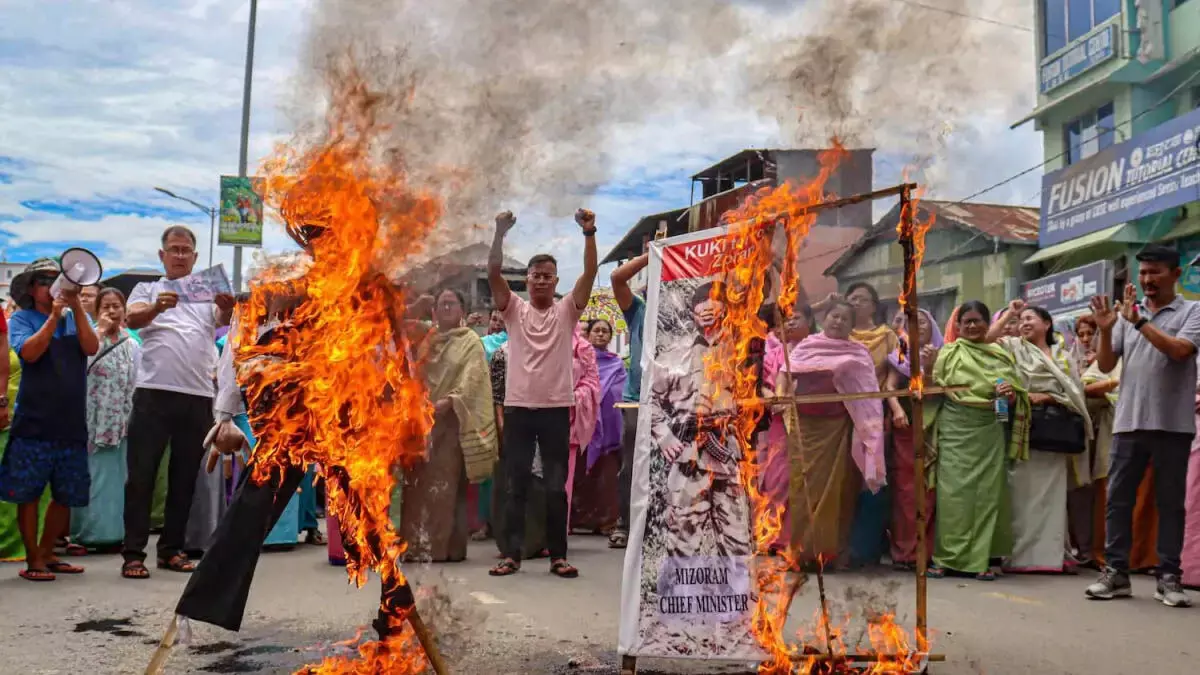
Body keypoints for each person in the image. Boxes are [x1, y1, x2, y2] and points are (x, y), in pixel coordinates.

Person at [1086, 245, 1200, 607]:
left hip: (1172, 425)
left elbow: (1179, 351)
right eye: (1144, 273)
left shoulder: (1192, 311)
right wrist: (1106, 330)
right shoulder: (1124, 318)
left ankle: (1169, 579)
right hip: (1128, 422)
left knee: (1170, 504)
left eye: (1156, 272)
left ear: (1176, 275)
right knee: (1118, 500)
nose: (1148, 280)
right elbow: (1105, 366)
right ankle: (1116, 574)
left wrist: (1137, 321)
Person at [487, 209, 598, 578]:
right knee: (514, 485)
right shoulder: (514, 311)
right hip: (518, 409)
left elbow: (591, 274)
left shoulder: (567, 311)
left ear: (555, 282)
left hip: (555, 410)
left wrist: (589, 233)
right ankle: (511, 555)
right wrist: (500, 234)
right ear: (528, 280)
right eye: (535, 276)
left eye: (547, 277)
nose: (541, 282)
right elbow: (492, 274)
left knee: (555, 488)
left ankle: (557, 557)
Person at [121, 225, 233, 579]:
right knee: (142, 476)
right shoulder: (147, 289)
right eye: (174, 249)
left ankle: (171, 549)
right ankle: (133, 554)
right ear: (162, 255)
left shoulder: (205, 293)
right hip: (154, 393)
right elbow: (131, 318)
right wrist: (156, 307)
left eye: (186, 250)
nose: (180, 255)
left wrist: (227, 309)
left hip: (198, 396)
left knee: (184, 478)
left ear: (195, 258)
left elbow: (222, 324)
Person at [0, 259, 100, 580]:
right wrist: (54, 317)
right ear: (31, 288)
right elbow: (29, 353)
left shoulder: (75, 318)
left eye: (55, 279)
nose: (52, 285)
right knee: (28, 493)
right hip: (34, 421)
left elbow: (92, 346)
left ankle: (47, 553)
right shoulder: (21, 319)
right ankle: (33, 560)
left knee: (65, 493)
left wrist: (74, 308)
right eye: (44, 281)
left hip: (71, 421)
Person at [649, 281, 753, 560]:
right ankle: (682, 597)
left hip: (728, 452)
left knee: (737, 536)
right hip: (687, 453)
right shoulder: (673, 354)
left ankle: (736, 597)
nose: (707, 306)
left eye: (715, 299)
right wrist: (663, 434)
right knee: (683, 536)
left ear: (726, 307)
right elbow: (651, 400)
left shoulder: (742, 352)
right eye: (700, 301)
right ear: (692, 311)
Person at [927, 301, 1029, 581]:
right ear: (958, 327)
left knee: (987, 496)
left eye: (977, 321)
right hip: (955, 432)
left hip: (990, 431)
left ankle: (981, 560)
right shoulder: (949, 352)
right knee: (953, 498)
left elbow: (1009, 403)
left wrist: (1008, 397)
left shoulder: (1000, 355)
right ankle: (945, 559)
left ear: (987, 323)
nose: (972, 326)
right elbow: (936, 389)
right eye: (966, 322)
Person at [989, 301, 1091, 573]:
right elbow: (986, 341)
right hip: (1022, 430)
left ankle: (1052, 556)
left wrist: (1048, 396)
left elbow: (1076, 393)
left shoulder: (1062, 356)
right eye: (1020, 319)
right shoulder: (1012, 349)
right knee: (1020, 494)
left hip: (1055, 433)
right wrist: (1008, 312)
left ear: (1047, 324)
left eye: (1030, 317)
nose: (1023, 322)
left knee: (1053, 498)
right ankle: (1020, 557)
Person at [780, 300, 884, 566]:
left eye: (844, 319)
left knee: (837, 490)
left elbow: (867, 394)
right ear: (824, 319)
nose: (838, 322)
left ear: (852, 326)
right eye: (834, 317)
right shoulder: (806, 346)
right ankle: (802, 553)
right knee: (802, 489)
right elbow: (785, 372)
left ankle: (829, 553)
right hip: (804, 428)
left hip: (839, 427)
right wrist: (781, 395)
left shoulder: (858, 353)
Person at [398, 289, 498, 562]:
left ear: (462, 311)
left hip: (450, 424)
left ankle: (445, 549)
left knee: (445, 486)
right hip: (420, 422)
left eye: (451, 304)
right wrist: (416, 305)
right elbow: (396, 326)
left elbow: (473, 380)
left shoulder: (470, 342)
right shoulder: (425, 337)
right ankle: (415, 547)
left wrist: (448, 402)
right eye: (441, 304)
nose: (445, 308)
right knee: (416, 486)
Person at [70, 288, 139, 551]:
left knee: (115, 478)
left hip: (120, 422)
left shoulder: (132, 345)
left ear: (124, 310)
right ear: (96, 312)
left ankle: (110, 534)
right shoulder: (89, 340)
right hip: (90, 420)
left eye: (116, 306)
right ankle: (85, 534)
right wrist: (98, 331)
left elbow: (136, 382)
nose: (112, 311)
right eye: (105, 307)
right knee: (91, 475)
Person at [844, 282, 899, 567]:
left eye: (862, 299)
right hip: (842, 415)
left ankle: (867, 548)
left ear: (874, 305)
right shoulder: (840, 333)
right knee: (847, 479)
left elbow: (900, 367)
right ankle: (843, 545)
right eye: (851, 298)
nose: (855, 303)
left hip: (874, 414)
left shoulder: (887, 335)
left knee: (872, 480)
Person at [885, 308, 942, 570]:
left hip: (935, 424)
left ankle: (927, 551)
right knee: (907, 489)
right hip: (906, 424)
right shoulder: (901, 352)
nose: (917, 326)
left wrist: (929, 366)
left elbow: (935, 390)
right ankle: (905, 552)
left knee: (930, 489)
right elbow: (889, 387)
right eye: (912, 323)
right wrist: (896, 409)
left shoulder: (944, 354)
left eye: (922, 322)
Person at [758, 305, 815, 552]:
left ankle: (795, 539)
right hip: (780, 421)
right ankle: (771, 536)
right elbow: (762, 384)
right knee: (776, 478)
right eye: (786, 319)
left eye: (797, 317)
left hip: (811, 422)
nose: (791, 323)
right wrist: (773, 398)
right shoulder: (774, 354)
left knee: (803, 479)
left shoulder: (817, 349)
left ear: (810, 321)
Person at [609, 252, 649, 549]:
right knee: (631, 466)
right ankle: (623, 523)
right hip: (636, 401)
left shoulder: (686, 310)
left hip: (673, 401)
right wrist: (656, 254)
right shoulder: (638, 309)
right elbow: (617, 278)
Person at [1072, 314, 1119, 568]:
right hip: (1082, 434)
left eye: (1092, 334)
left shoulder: (1114, 356)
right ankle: (1086, 548)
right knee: (1083, 492)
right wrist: (1112, 383)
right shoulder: (1069, 358)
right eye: (1082, 334)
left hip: (1110, 432)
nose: (1087, 339)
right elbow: (1081, 389)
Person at [570, 319, 625, 534]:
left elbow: (619, 392)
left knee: (607, 476)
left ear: (610, 337)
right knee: (581, 474)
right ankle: (577, 519)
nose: (600, 334)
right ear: (588, 334)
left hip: (609, 426)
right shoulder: (580, 359)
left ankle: (605, 521)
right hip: (584, 423)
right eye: (596, 331)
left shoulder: (617, 363)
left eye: (605, 331)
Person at [564, 323, 600, 530]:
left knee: (563, 480)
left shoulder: (583, 348)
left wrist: (574, 397)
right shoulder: (542, 341)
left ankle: (557, 532)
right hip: (536, 414)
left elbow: (593, 384)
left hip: (568, 418)